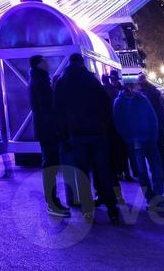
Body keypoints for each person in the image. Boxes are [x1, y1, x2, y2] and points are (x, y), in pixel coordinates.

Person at [52, 53, 120, 225]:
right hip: (97, 133)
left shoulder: (62, 83)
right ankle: (112, 209)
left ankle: (87, 210)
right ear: (82, 63)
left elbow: (58, 112)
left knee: (82, 174)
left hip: (76, 135)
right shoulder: (92, 81)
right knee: (102, 171)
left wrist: (64, 134)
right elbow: (105, 104)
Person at [114, 76, 164, 211]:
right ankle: (154, 198)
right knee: (147, 170)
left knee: (147, 170)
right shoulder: (134, 101)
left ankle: (155, 198)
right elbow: (151, 117)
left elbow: (120, 123)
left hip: (143, 140)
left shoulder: (123, 102)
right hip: (140, 141)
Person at [28, 56, 67, 217]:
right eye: (44, 61)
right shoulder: (40, 82)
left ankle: (52, 201)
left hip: (45, 129)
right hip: (48, 130)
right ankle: (51, 202)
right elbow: (47, 108)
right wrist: (55, 127)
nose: (48, 63)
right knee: (50, 165)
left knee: (50, 164)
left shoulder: (38, 80)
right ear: (39, 64)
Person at [138, 75, 164, 182]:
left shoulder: (147, 95)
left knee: (156, 150)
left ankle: (161, 173)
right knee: (162, 149)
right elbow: (162, 108)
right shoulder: (155, 92)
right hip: (159, 123)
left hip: (153, 126)